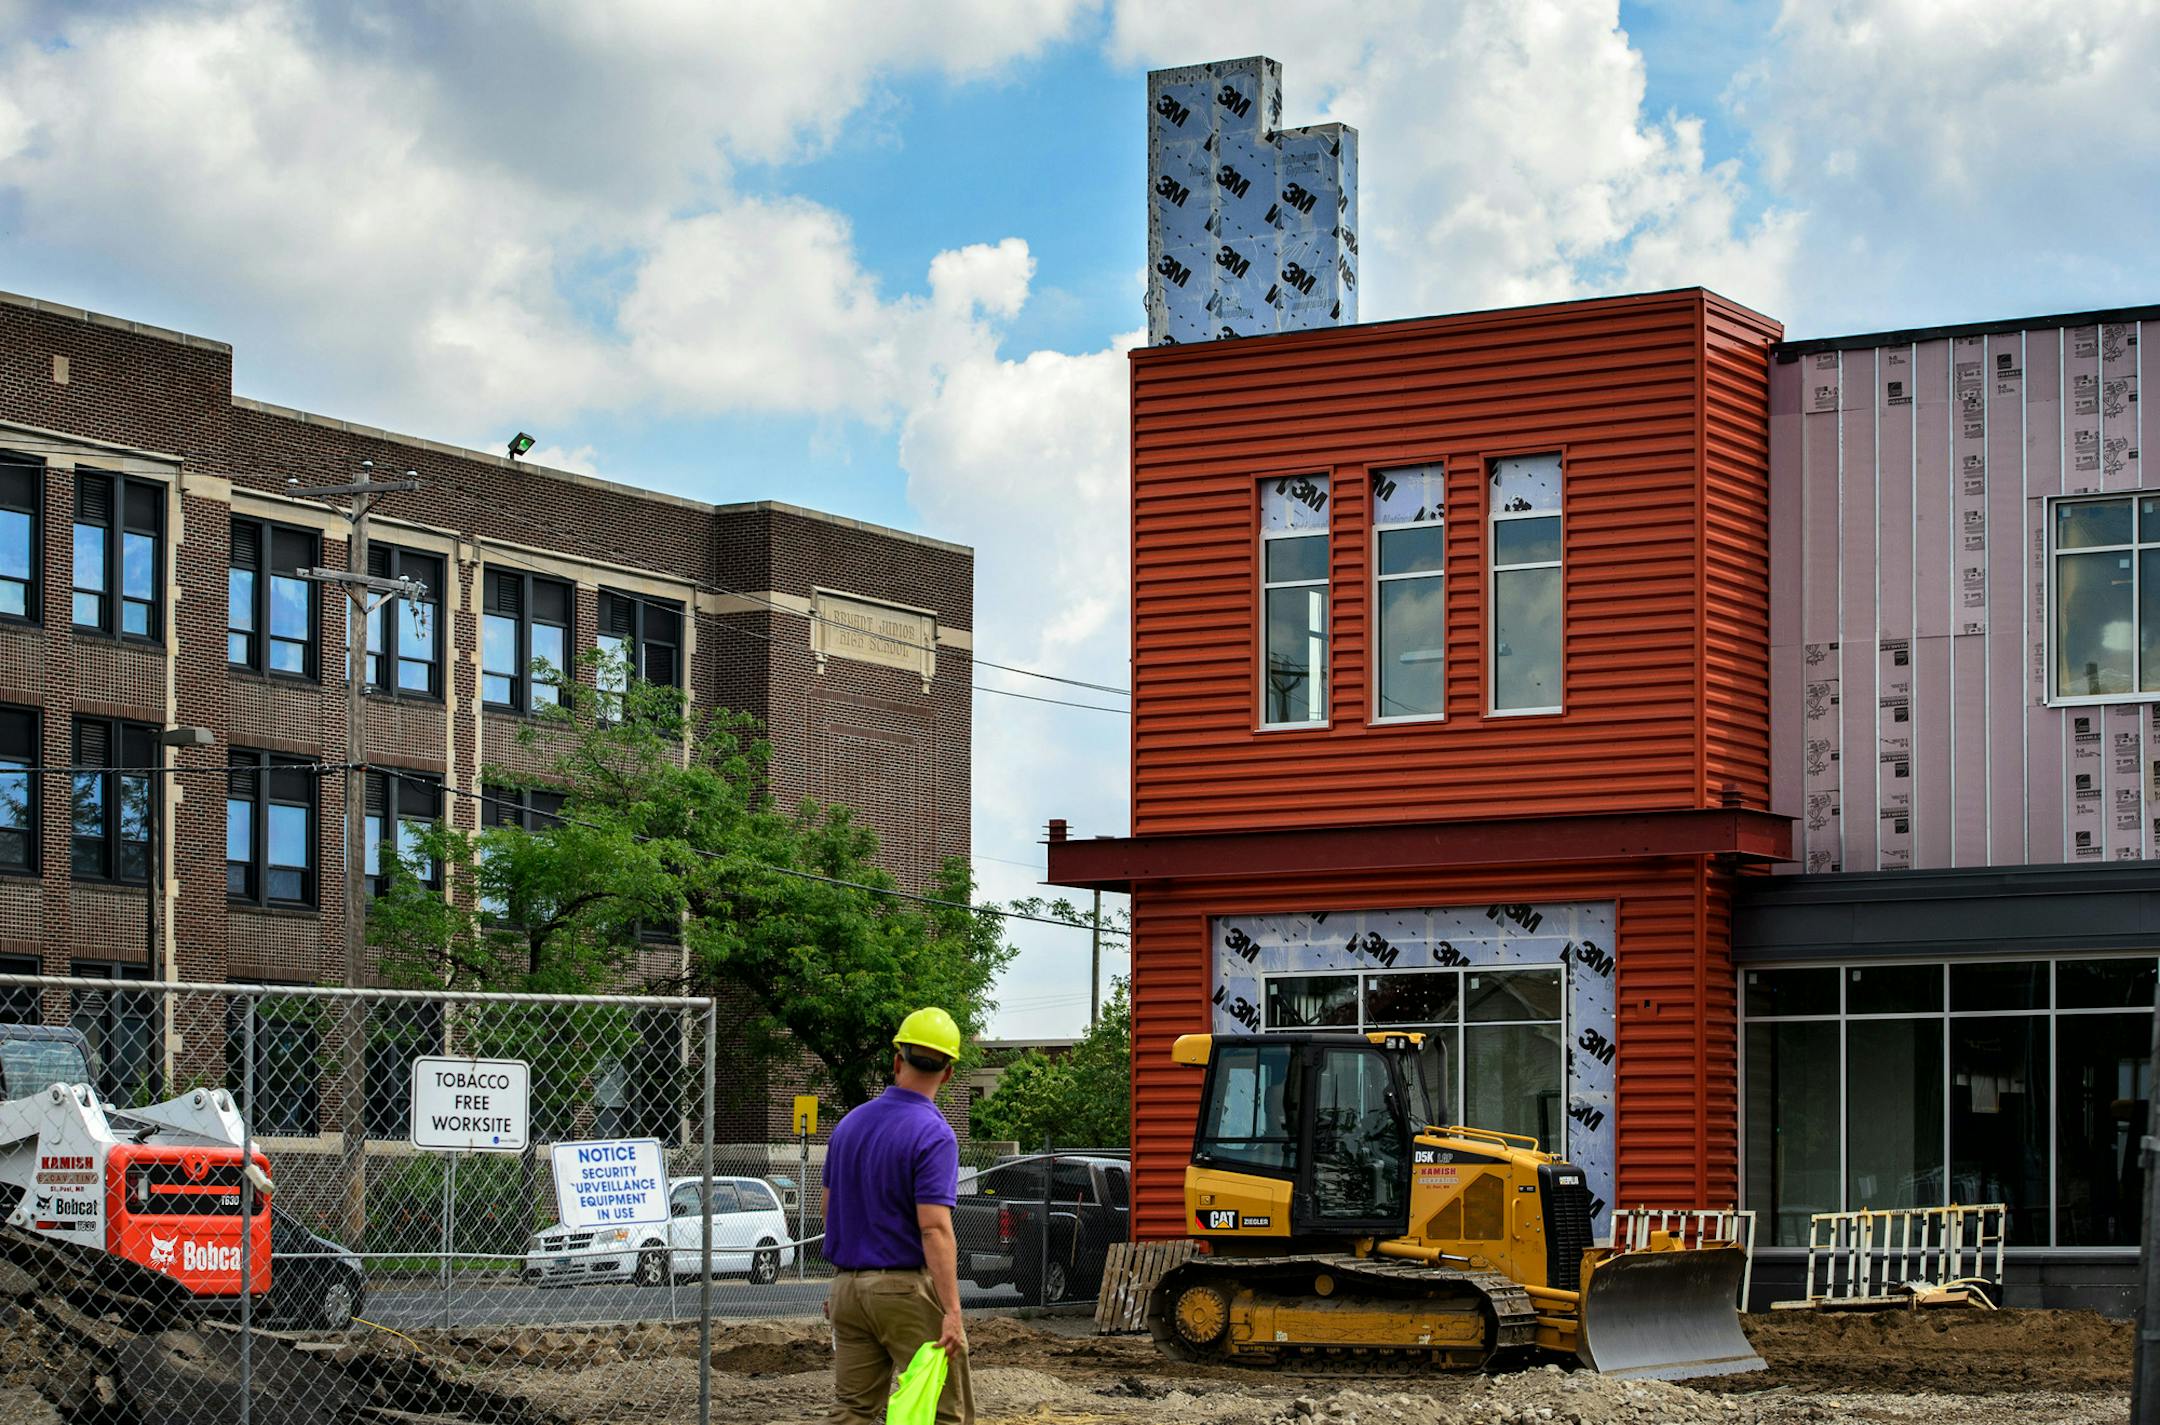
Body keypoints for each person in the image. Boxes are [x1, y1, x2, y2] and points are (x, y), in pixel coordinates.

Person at [824, 1006, 975, 1425]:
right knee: (944, 1411)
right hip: (903, 1292)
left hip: (847, 1292)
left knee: (853, 1409)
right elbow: (934, 1228)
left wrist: (842, 1283)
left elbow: (829, 1209)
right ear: (948, 1074)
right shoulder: (934, 1133)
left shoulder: (849, 1125)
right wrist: (952, 1311)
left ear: (896, 1060)